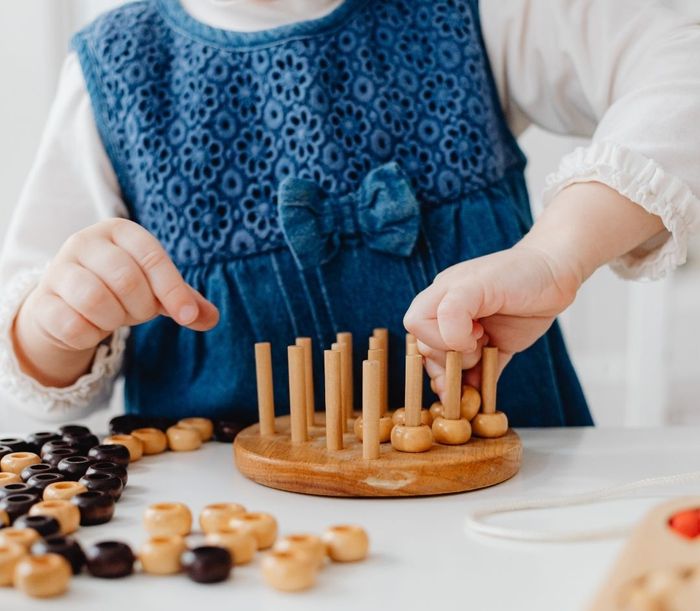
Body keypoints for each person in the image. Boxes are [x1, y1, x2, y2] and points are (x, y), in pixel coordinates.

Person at [0, 0, 698, 426]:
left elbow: (682, 64)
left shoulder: (480, 11)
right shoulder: (114, 74)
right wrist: (57, 328)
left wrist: (555, 256)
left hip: (502, 519)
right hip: (228, 562)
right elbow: (33, 364)